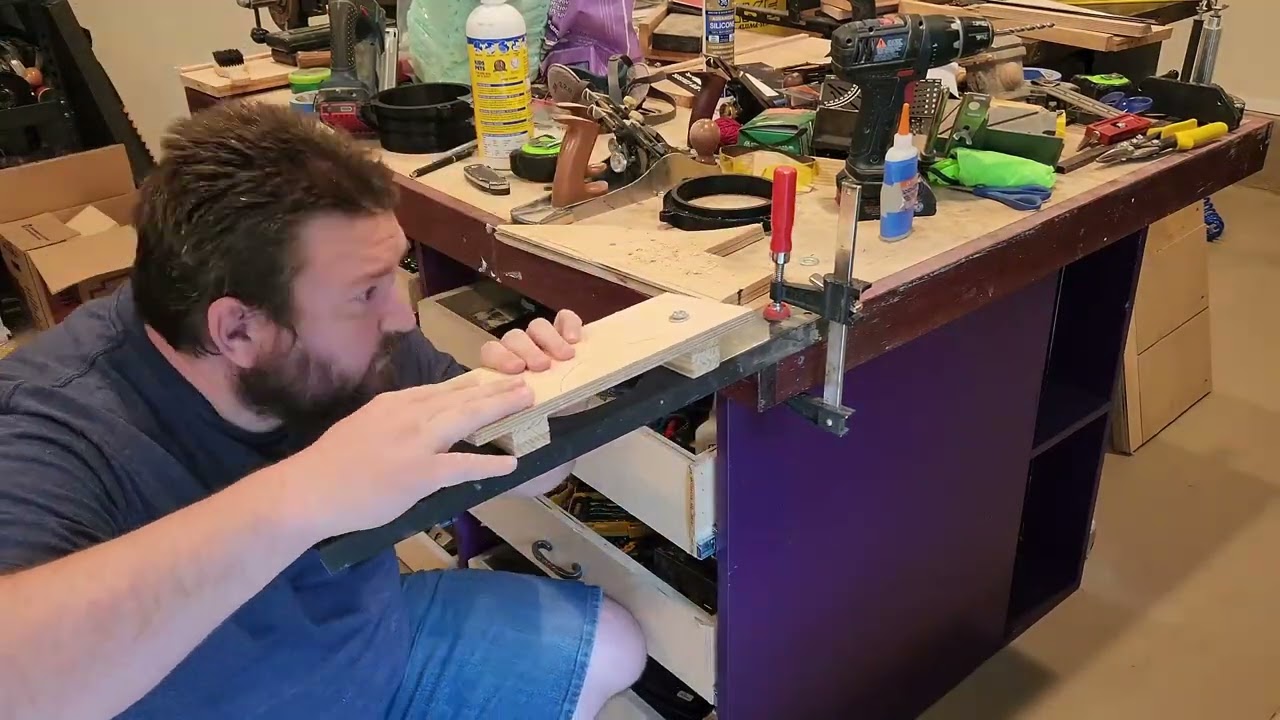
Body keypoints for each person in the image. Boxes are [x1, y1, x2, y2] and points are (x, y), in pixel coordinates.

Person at [0, 101, 646, 720]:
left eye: (396, 271)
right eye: (367, 291)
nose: (401, 314)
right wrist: (304, 495)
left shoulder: (358, 342)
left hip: (370, 658)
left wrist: (536, 393)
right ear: (238, 332)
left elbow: (531, 473)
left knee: (613, 646)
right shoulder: (51, 421)